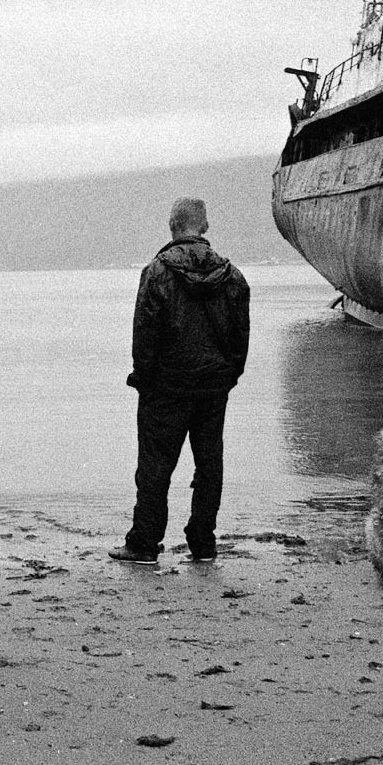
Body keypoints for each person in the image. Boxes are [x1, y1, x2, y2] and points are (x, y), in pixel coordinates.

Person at [110, 198, 250, 564]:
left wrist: (143, 379)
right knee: (209, 464)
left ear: (172, 226)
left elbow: (144, 334)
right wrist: (229, 376)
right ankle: (203, 543)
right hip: (213, 386)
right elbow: (241, 337)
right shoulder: (233, 277)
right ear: (205, 227)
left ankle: (144, 543)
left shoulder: (156, 273)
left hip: (166, 387)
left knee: (155, 467)